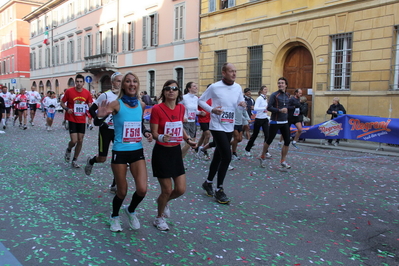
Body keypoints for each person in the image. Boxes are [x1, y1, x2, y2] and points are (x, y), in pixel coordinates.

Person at [96, 72, 153, 232]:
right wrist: (99, 116)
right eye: (128, 81)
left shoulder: (141, 105)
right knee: (122, 191)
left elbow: (138, 124)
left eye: (134, 81)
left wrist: (146, 132)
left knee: (142, 189)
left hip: (137, 151)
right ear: (123, 85)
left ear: (138, 85)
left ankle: (130, 210)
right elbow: (98, 118)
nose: (131, 84)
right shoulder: (116, 104)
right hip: (120, 151)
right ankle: (114, 216)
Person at [150, 79, 196, 231]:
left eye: (174, 88)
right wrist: (162, 137)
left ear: (178, 92)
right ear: (163, 92)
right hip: (162, 151)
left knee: (181, 189)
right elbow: (154, 132)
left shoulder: (181, 108)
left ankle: (163, 201)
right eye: (168, 88)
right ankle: (159, 217)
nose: (171, 91)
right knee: (167, 190)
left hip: (175, 151)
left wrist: (188, 139)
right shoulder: (157, 108)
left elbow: (179, 127)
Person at [198, 62, 246, 204]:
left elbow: (240, 103)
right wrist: (212, 109)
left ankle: (208, 182)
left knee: (218, 156)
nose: (234, 74)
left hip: (229, 125)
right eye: (231, 71)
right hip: (217, 125)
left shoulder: (238, 87)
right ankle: (219, 190)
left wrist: (242, 104)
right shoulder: (215, 87)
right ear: (223, 73)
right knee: (226, 155)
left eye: (235, 71)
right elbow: (201, 101)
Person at [85, 72, 123, 194]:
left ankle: (114, 184)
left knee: (120, 159)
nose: (120, 83)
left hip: (119, 131)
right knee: (102, 158)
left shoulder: (126, 96)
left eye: (122, 81)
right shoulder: (105, 96)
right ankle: (91, 161)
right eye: (118, 81)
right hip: (106, 129)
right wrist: (100, 120)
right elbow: (92, 109)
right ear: (112, 83)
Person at [61, 74, 93, 168]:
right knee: (74, 140)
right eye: (77, 81)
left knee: (80, 140)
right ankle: (69, 149)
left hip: (82, 119)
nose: (79, 83)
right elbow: (62, 103)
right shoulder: (69, 91)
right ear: (75, 82)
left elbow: (90, 104)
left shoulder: (87, 93)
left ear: (83, 83)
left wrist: (92, 110)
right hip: (72, 118)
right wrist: (67, 109)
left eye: (80, 82)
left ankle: (74, 160)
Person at [259, 77, 291, 169]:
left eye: (282, 83)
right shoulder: (274, 95)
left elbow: (288, 106)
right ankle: (262, 156)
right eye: (279, 83)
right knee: (269, 140)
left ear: (286, 85)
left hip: (285, 121)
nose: (280, 84)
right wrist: (280, 110)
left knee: (287, 141)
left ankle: (283, 161)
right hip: (275, 121)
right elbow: (269, 107)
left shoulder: (288, 95)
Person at [180, 82, 205, 158]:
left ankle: (179, 160)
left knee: (192, 141)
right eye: (194, 86)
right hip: (186, 122)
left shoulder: (196, 98)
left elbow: (195, 110)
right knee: (188, 142)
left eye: (196, 86)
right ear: (189, 88)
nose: (196, 87)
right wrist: (182, 117)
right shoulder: (184, 97)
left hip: (193, 121)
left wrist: (200, 112)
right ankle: (178, 159)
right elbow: (178, 108)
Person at [244, 86, 271, 158]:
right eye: (265, 89)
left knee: (267, 135)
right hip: (259, 119)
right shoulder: (259, 98)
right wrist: (264, 108)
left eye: (266, 89)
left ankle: (266, 151)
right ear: (261, 91)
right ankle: (247, 149)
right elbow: (255, 108)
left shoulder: (265, 98)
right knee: (255, 135)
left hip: (265, 118)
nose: (266, 90)